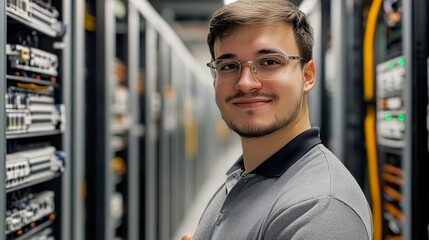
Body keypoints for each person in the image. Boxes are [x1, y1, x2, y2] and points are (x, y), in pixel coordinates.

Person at [183, 0, 373, 239]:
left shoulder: (321, 209)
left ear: (307, 76)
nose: (245, 83)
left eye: (269, 62)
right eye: (229, 65)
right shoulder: (247, 174)